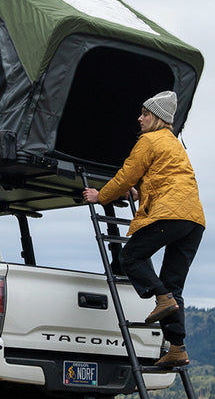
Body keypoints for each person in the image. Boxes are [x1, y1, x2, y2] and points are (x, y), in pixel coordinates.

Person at [82, 90, 204, 368]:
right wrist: (142, 194)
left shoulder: (149, 140)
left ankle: (160, 298)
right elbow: (166, 179)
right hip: (193, 220)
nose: (139, 119)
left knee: (130, 258)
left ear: (157, 118)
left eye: (145, 114)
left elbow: (127, 175)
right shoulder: (173, 144)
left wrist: (100, 196)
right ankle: (177, 348)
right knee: (173, 287)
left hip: (171, 216)